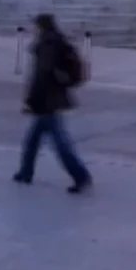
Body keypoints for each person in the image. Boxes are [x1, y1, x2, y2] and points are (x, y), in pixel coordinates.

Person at [13, 13, 92, 193]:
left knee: (60, 144)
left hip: (48, 100)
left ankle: (81, 176)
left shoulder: (46, 45)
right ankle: (25, 172)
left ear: (41, 27)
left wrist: (32, 101)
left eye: (36, 26)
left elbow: (41, 76)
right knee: (33, 140)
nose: (34, 30)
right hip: (52, 98)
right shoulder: (56, 41)